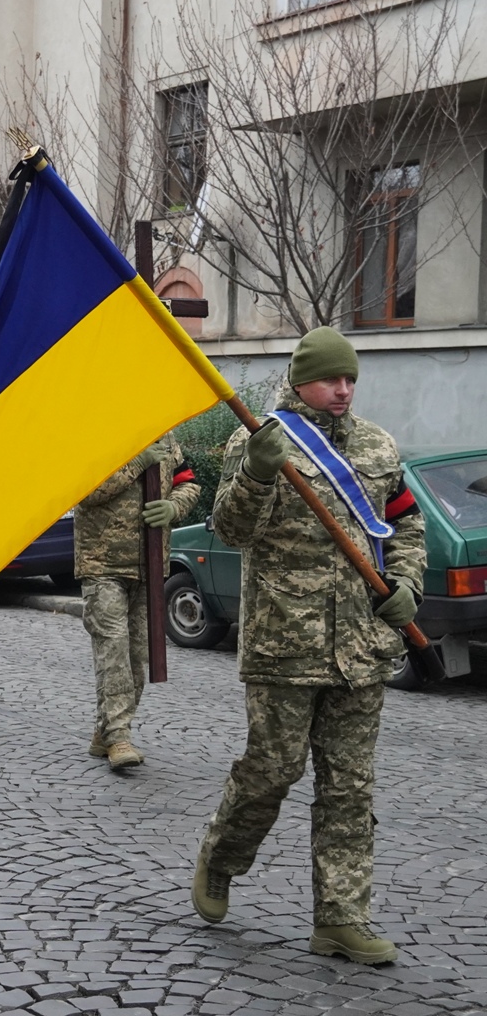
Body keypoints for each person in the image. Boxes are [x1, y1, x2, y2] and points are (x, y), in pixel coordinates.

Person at [192, 327, 425, 966]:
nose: (343, 390)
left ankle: (341, 919)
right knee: (273, 772)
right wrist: (259, 476)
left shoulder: (378, 445)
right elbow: (233, 531)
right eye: (331, 379)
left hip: (362, 648)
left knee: (350, 788)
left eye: (350, 379)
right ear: (300, 382)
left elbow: (406, 521)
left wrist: (407, 582)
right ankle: (222, 856)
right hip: (284, 646)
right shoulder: (259, 439)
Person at [74, 435, 200, 769]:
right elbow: (84, 493)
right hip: (102, 563)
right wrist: (136, 463)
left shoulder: (167, 434)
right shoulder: (99, 433)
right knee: (113, 649)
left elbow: (188, 483)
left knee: (137, 654)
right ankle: (118, 737)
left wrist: (174, 506)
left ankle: (105, 733)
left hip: (151, 561)